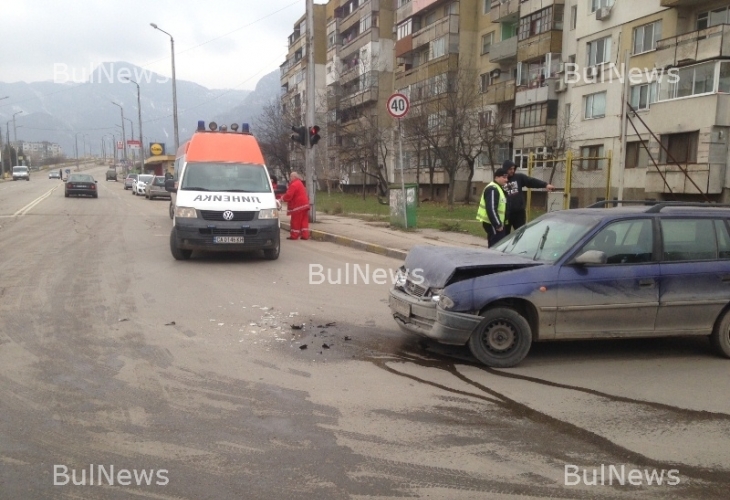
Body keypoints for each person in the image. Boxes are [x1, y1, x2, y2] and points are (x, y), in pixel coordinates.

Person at [502, 159, 555, 234]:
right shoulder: (501, 180)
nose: (512, 171)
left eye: (513, 169)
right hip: (506, 213)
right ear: (505, 169)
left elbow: (531, 181)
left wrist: (545, 185)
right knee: (504, 236)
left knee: (520, 235)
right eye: (510, 169)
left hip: (519, 213)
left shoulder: (519, 178)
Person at [476, 167, 510, 247]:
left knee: (495, 245)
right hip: (493, 224)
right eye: (504, 177)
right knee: (496, 246)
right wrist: (497, 224)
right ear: (496, 177)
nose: (506, 180)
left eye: (507, 177)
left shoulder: (499, 188)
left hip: (496, 224)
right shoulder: (493, 189)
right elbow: (491, 208)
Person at [281, 172, 310, 240]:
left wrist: (282, 199)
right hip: (304, 205)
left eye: (291, 177)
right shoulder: (300, 183)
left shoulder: (294, 184)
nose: (290, 178)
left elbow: (289, 195)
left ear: (294, 177)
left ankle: (294, 235)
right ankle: (305, 235)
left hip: (298, 206)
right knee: (304, 221)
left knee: (295, 221)